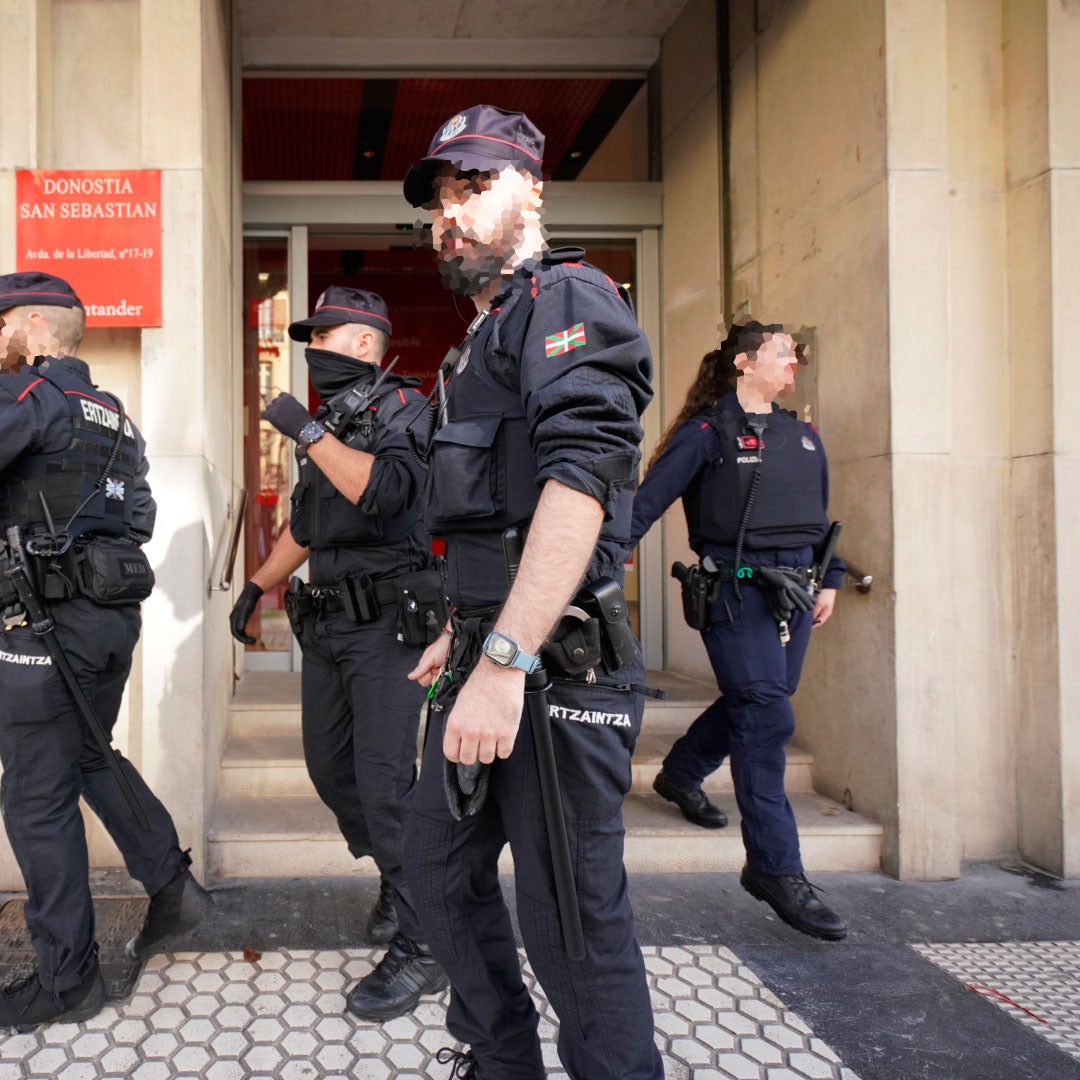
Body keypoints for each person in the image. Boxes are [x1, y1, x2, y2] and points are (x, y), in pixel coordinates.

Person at [399, 105, 664, 1079]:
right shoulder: (482, 338)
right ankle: (499, 1057)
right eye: (438, 198)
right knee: (431, 864)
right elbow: (490, 520)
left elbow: (577, 487)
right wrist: (464, 636)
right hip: (485, 651)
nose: (448, 214)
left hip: (554, 671)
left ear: (531, 191)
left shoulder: (569, 299)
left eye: (473, 187)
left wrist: (503, 658)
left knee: (574, 930)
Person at [0, 271, 211, 1033]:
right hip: (108, 623)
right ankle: (172, 886)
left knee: (36, 798)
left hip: (48, 627)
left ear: (35, 324)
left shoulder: (29, 398)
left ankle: (68, 980)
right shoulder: (117, 417)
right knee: (90, 755)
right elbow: (134, 515)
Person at [228, 286, 449, 1021]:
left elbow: (383, 494)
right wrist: (256, 587)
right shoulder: (334, 421)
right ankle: (398, 871)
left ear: (364, 344)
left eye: (324, 335)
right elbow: (310, 526)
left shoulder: (406, 410)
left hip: (390, 626)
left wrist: (306, 431)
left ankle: (427, 947)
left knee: (386, 784)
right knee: (330, 770)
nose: (312, 349)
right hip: (327, 625)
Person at [628, 321, 848, 942]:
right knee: (765, 710)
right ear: (746, 363)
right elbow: (644, 505)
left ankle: (681, 773)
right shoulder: (709, 433)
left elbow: (818, 516)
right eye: (784, 353)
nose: (794, 362)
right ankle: (775, 868)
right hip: (734, 590)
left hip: (798, 592)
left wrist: (829, 579)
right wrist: (589, 569)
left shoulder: (803, 435)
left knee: (762, 698)